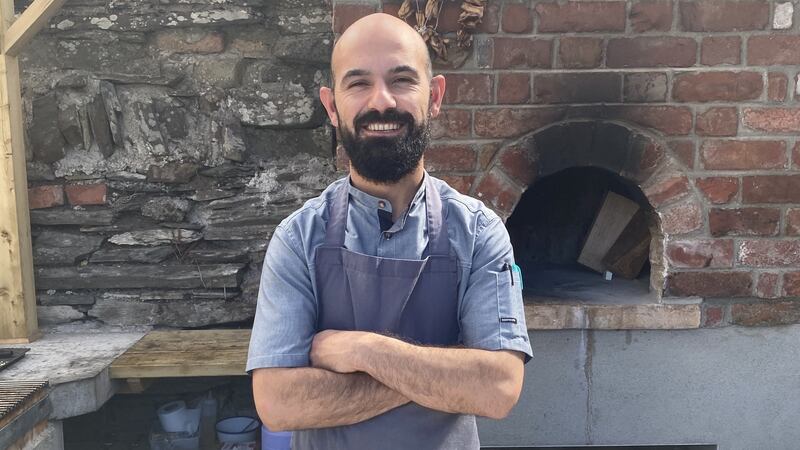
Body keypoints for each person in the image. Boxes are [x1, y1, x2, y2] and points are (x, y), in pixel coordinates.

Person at [247, 12, 533, 449]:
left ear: (434, 96)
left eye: (401, 79)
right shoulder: (298, 237)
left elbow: (498, 390)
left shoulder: (477, 232)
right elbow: (279, 403)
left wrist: (364, 352)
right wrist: (444, 377)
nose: (381, 101)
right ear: (331, 106)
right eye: (358, 83)